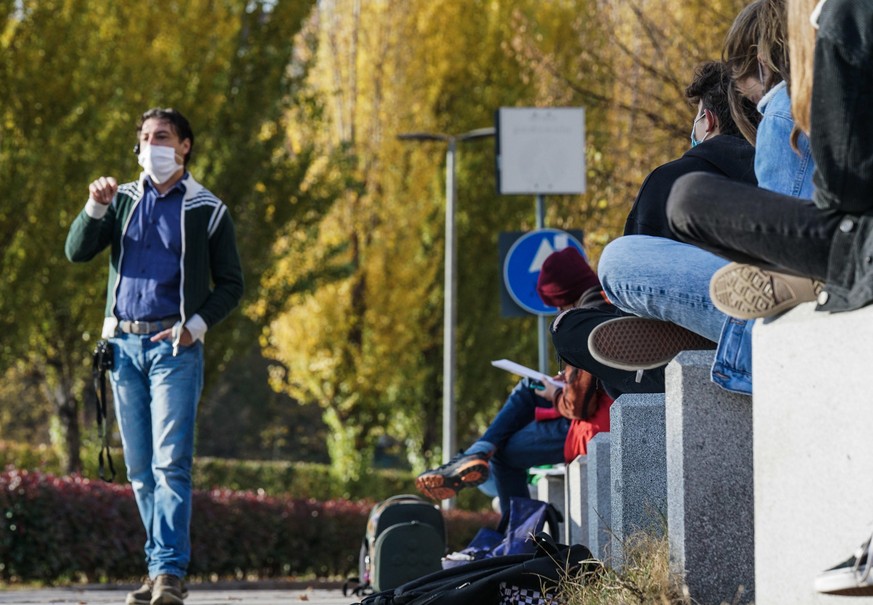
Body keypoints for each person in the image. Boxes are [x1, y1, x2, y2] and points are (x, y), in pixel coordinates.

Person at [662, 0, 873, 594]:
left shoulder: (838, 24)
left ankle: (796, 282)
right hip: (846, 245)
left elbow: (846, 189)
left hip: (853, 245)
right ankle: (797, 278)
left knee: (678, 207)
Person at [589, 0, 815, 395]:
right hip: (829, 277)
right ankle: (714, 328)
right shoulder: (839, 96)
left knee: (619, 258)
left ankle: (726, 337)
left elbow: (788, 255)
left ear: (760, 61)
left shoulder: (783, 109)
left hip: (794, 321)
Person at [65, 108, 244, 605]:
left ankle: (168, 572)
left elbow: (232, 284)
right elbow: (76, 251)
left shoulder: (207, 208)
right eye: (144, 138)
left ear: (185, 145)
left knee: (171, 464)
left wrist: (195, 327)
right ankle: (157, 568)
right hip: (122, 347)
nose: (151, 145)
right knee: (140, 469)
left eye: (161, 136)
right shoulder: (121, 199)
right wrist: (93, 207)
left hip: (173, 349)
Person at [415, 247, 662, 518]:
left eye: (558, 305)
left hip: (595, 427)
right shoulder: (613, 302)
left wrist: (556, 394)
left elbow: (580, 405)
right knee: (528, 387)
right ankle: (478, 453)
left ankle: (520, 534)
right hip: (606, 413)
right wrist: (558, 385)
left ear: (566, 298)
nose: (558, 311)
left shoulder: (588, 321)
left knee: (505, 455)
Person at [623, 60, 757, 240]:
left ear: (709, 120)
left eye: (697, 119)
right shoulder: (775, 178)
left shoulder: (664, 182)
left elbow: (636, 258)